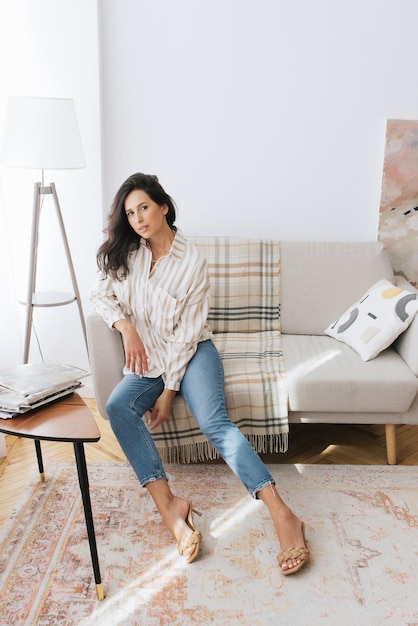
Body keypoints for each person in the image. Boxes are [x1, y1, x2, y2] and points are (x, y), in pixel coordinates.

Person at [90, 172, 309, 574]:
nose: (138, 218)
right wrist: (127, 328)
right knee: (118, 406)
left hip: (191, 353)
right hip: (147, 357)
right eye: (130, 212)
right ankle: (171, 508)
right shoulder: (129, 254)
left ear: (163, 207)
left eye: (143, 207)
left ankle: (283, 514)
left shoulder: (192, 261)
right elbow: (100, 294)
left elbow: (187, 335)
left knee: (215, 422)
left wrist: (169, 391)